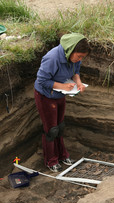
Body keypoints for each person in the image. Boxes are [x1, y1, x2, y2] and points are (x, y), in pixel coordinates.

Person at [34, 33, 91, 172]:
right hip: (45, 96)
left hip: (60, 94)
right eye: (79, 56)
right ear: (70, 50)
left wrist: (78, 83)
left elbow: (75, 71)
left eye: (82, 57)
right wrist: (62, 86)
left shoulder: (75, 57)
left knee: (60, 126)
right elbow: (42, 80)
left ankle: (62, 155)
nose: (80, 59)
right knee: (51, 130)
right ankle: (51, 160)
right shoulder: (52, 58)